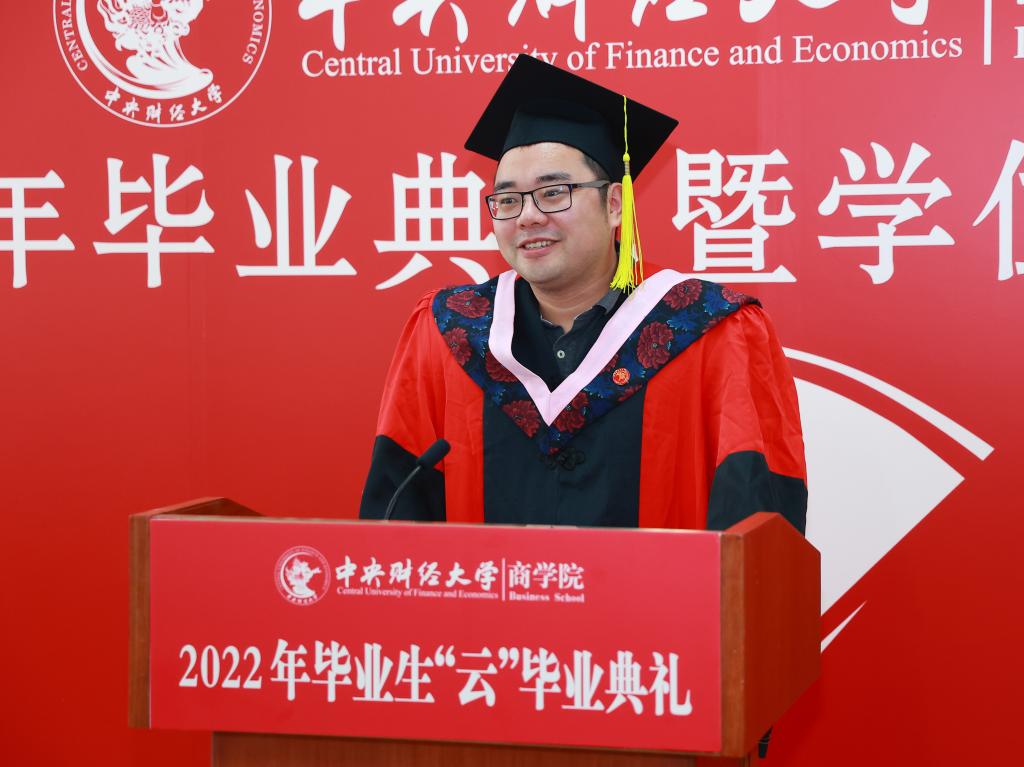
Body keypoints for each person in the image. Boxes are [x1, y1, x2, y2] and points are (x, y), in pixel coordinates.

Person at [360, 55, 806, 534]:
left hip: (657, 587)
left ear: (614, 205)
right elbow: (395, 523)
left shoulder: (710, 330)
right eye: (507, 200)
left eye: (554, 192)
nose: (528, 217)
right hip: (490, 587)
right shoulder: (448, 332)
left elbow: (760, 523)